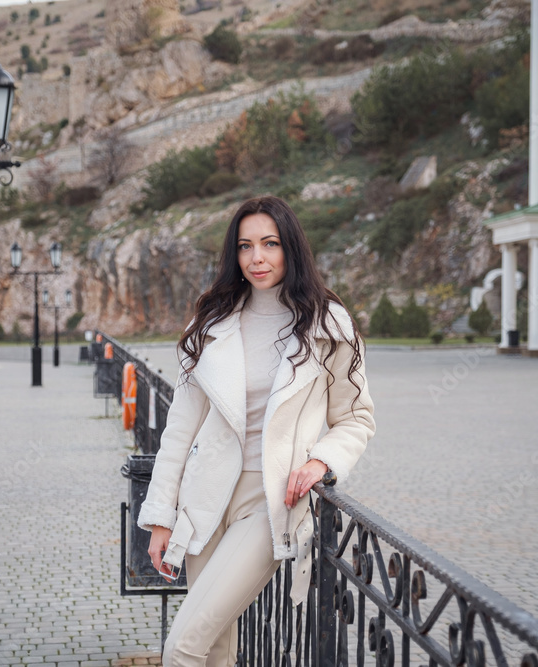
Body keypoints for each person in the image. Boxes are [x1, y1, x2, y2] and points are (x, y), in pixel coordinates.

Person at [137, 195, 375, 667]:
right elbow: (179, 430)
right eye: (245, 246)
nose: (257, 258)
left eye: (270, 243)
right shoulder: (212, 322)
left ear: (291, 247)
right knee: (215, 652)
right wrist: (162, 515)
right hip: (204, 501)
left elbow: (357, 417)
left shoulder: (329, 324)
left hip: (269, 504)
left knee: (181, 646)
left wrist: (321, 460)